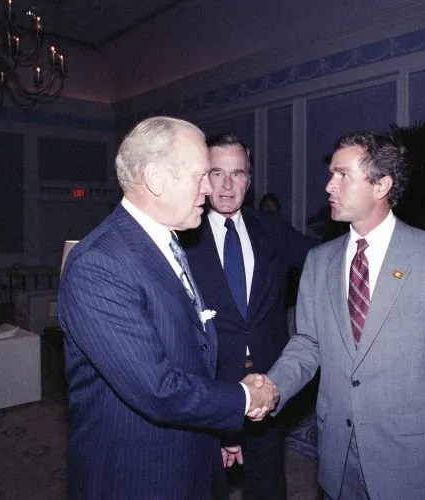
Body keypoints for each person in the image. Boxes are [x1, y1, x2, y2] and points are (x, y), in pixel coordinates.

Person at [57, 117, 279, 500]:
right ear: (156, 179)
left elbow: (193, 355)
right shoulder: (100, 264)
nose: (210, 189)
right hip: (139, 475)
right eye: (201, 176)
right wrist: (243, 398)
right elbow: (157, 388)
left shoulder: (170, 243)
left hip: (192, 456)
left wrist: (223, 433)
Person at [264, 131, 425, 499]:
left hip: (410, 463)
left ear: (381, 185)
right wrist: (271, 388)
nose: (329, 186)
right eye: (331, 174)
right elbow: (307, 344)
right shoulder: (320, 261)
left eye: (342, 175)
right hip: (336, 460)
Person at [181, 134, 318, 499]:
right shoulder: (180, 237)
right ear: (203, 178)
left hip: (268, 382)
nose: (227, 185)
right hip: (208, 388)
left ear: (249, 180)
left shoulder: (271, 229)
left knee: (268, 484)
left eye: (237, 174)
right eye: (217, 173)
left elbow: (323, 258)